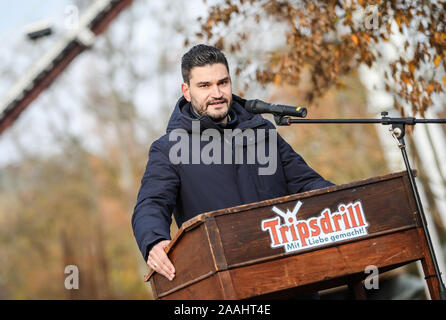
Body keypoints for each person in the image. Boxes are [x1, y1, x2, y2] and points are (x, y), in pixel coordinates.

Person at [132, 44, 333, 282]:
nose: (217, 93)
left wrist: (348, 204)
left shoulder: (263, 132)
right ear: (186, 91)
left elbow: (308, 183)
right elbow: (151, 204)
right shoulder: (169, 149)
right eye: (204, 85)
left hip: (292, 274)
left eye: (222, 83)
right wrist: (153, 241)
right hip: (226, 282)